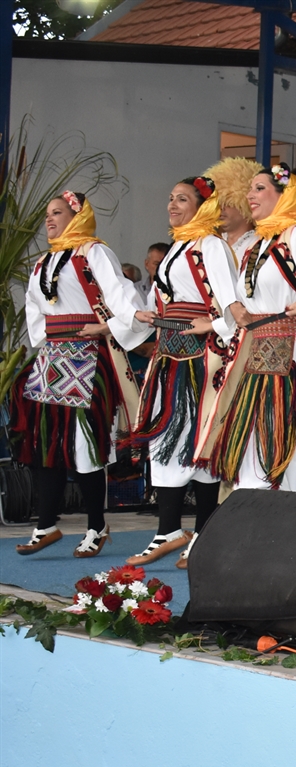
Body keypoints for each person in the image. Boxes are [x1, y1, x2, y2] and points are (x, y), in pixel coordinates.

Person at [200, 163, 296, 501]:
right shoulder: (257, 243)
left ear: (284, 194)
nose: (250, 195)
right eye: (250, 189)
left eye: (260, 189)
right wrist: (229, 313)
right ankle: (253, 519)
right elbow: (242, 302)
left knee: (286, 437)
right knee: (251, 440)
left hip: (294, 353)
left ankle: (286, 519)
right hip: (256, 354)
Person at [12, 192, 145, 558]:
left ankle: (96, 526)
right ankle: (46, 524)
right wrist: (43, 342)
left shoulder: (93, 252)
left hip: (86, 356)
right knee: (45, 442)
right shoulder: (44, 262)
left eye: (57, 212)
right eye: (47, 214)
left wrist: (113, 326)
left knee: (85, 445)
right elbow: (34, 308)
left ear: (78, 215)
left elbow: (120, 294)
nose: (49, 219)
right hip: (51, 358)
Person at [128, 175, 240, 567]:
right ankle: (169, 530)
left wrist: (214, 325)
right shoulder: (180, 245)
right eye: (170, 199)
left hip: (202, 355)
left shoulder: (210, 244)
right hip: (169, 353)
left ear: (201, 206)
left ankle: (203, 533)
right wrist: (147, 315)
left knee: (200, 437)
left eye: (181, 199)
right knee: (166, 435)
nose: (172, 205)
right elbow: (165, 299)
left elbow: (231, 302)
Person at [206, 157, 261, 266]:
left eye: (228, 202)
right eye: (217, 203)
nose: (220, 208)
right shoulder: (210, 243)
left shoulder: (261, 244)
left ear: (245, 204)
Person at [142, 242, 170, 308]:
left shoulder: (177, 290)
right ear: (147, 264)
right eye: (156, 264)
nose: (160, 268)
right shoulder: (134, 290)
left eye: (164, 264)